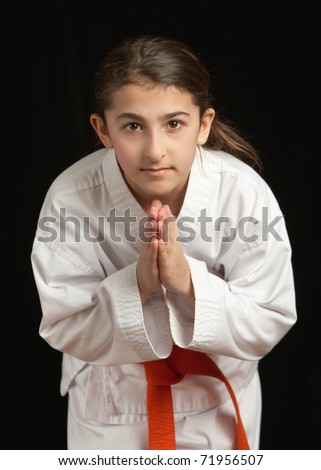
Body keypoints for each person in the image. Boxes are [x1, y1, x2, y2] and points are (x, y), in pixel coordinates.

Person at [31, 35, 297, 450]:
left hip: (218, 402)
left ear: (203, 124)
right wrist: (135, 285)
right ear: (103, 129)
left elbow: (270, 316)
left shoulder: (243, 194)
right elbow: (64, 322)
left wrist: (187, 283)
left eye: (174, 124)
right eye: (133, 126)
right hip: (111, 406)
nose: (155, 151)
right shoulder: (70, 199)